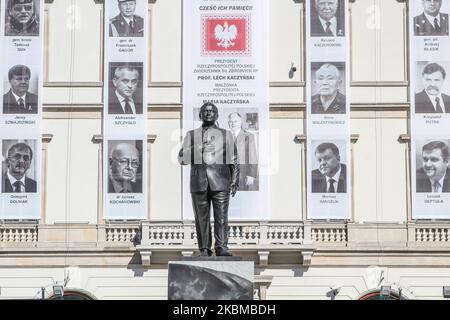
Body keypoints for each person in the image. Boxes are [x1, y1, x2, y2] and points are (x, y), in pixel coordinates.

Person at [178, 102, 239, 257]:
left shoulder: (227, 135)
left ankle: (222, 246)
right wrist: (197, 149)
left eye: (212, 111)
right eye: (205, 111)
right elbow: (181, 158)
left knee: (222, 217)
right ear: (200, 115)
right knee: (201, 218)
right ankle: (204, 248)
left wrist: (234, 180)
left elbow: (234, 159)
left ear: (217, 115)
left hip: (221, 182)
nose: (208, 113)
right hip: (199, 182)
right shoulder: (191, 135)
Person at [227, 112, 258, 191]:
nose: (233, 124)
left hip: (242, 174)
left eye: (235, 121)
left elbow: (253, 157)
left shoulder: (248, 136)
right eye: (231, 121)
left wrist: (251, 175)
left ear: (240, 122)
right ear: (228, 123)